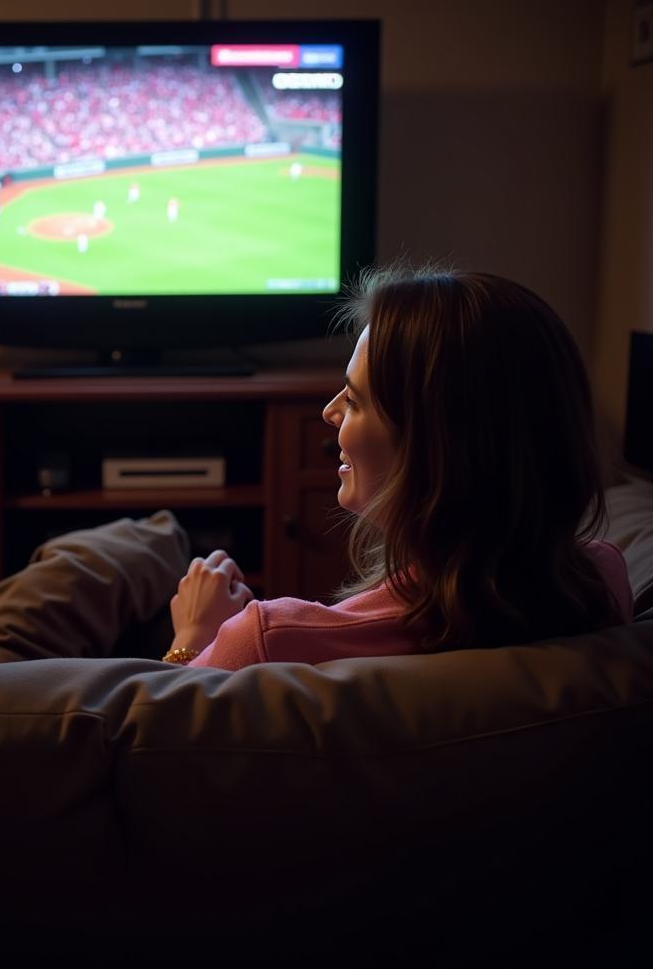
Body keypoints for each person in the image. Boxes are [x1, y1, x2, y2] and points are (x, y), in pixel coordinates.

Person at [163, 266, 634, 670]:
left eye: (354, 400)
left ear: (432, 447)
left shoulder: (268, 642)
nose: (330, 412)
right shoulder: (604, 583)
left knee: (149, 547)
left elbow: (157, 735)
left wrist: (192, 640)